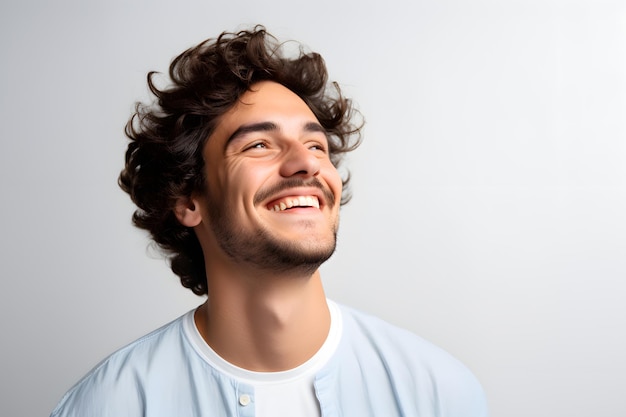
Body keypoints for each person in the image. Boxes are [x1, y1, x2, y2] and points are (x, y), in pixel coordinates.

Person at [50, 26, 488, 417]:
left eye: (317, 146)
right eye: (259, 144)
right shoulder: (110, 405)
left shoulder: (439, 393)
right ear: (186, 199)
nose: (305, 164)